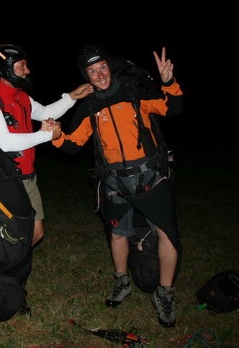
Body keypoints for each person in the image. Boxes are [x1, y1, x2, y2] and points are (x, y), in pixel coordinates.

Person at [50, 44, 183, 327]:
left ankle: (165, 293)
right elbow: (73, 145)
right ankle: (122, 282)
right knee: (118, 234)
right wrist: (57, 136)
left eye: (102, 67)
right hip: (114, 181)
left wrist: (168, 81)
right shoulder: (90, 106)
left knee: (167, 234)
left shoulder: (134, 92)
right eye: (92, 71)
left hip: (150, 177)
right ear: (86, 76)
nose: (99, 75)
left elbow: (173, 107)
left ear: (110, 66)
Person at [0, 43, 93, 313]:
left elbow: (46, 112)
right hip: (5, 182)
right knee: (17, 238)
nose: (27, 70)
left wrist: (72, 97)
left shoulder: (21, 97)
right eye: (22, 66)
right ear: (6, 68)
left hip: (28, 178)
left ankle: (5, 274)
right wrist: (46, 135)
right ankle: (9, 287)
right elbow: (5, 142)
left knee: (36, 233)